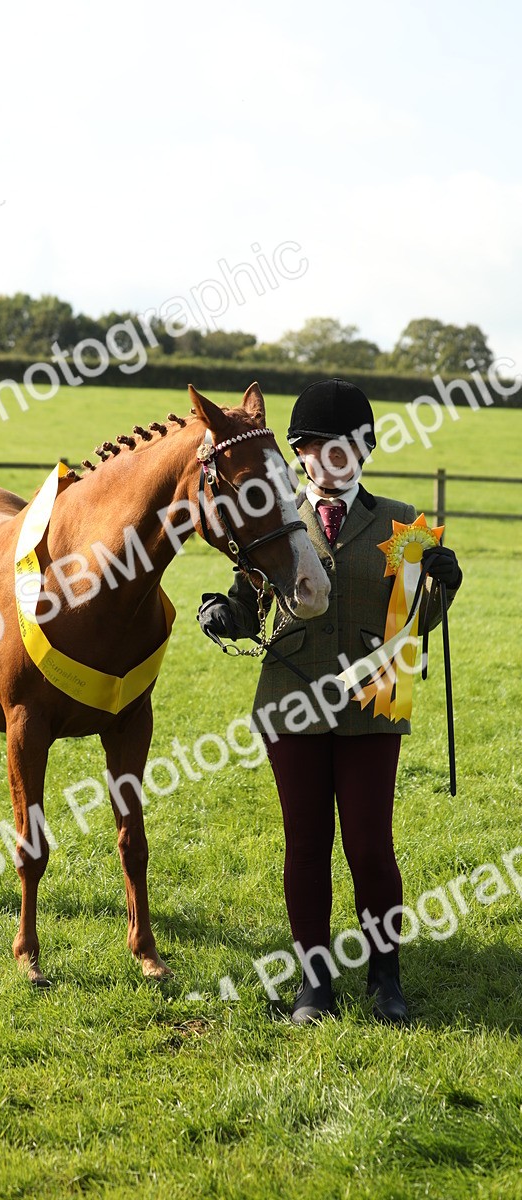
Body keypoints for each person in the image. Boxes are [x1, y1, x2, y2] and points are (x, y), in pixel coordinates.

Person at [197, 378, 462, 1025]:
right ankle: (314, 982)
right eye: (317, 446)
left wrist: (443, 587)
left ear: (364, 450)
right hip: (292, 705)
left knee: (370, 846)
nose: (331, 456)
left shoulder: (404, 526)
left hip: (373, 707)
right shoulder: (276, 520)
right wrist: (224, 613)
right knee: (306, 844)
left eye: (345, 445)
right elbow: (248, 596)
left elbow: (417, 620)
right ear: (301, 454)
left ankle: (385, 978)